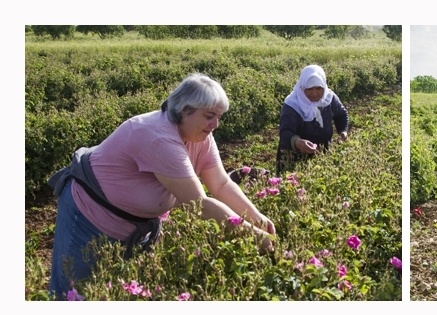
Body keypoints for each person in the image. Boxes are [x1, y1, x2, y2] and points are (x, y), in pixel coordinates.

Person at [46, 73, 277, 300]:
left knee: (118, 290)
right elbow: (200, 205)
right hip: (89, 217)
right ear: (185, 110)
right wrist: (253, 236)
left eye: (218, 116)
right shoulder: (158, 137)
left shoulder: (200, 136)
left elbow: (222, 183)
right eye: (209, 116)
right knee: (73, 291)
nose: (215, 124)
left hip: (134, 225)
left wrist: (257, 218)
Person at [276, 64, 349, 175]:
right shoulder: (292, 104)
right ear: (302, 87)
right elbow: (285, 132)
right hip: (293, 158)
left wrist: (343, 131)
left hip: (322, 154)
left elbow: (341, 115)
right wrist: (297, 142)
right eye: (309, 89)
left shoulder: (329, 98)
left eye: (319, 88)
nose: (314, 93)